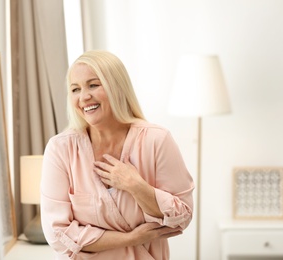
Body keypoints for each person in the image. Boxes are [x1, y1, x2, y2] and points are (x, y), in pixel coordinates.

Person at [40, 50, 194, 260]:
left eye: (93, 85)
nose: (84, 97)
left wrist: (136, 186)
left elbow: (182, 217)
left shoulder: (157, 139)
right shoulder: (60, 149)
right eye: (75, 89)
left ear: (116, 86)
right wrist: (131, 238)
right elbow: (58, 235)